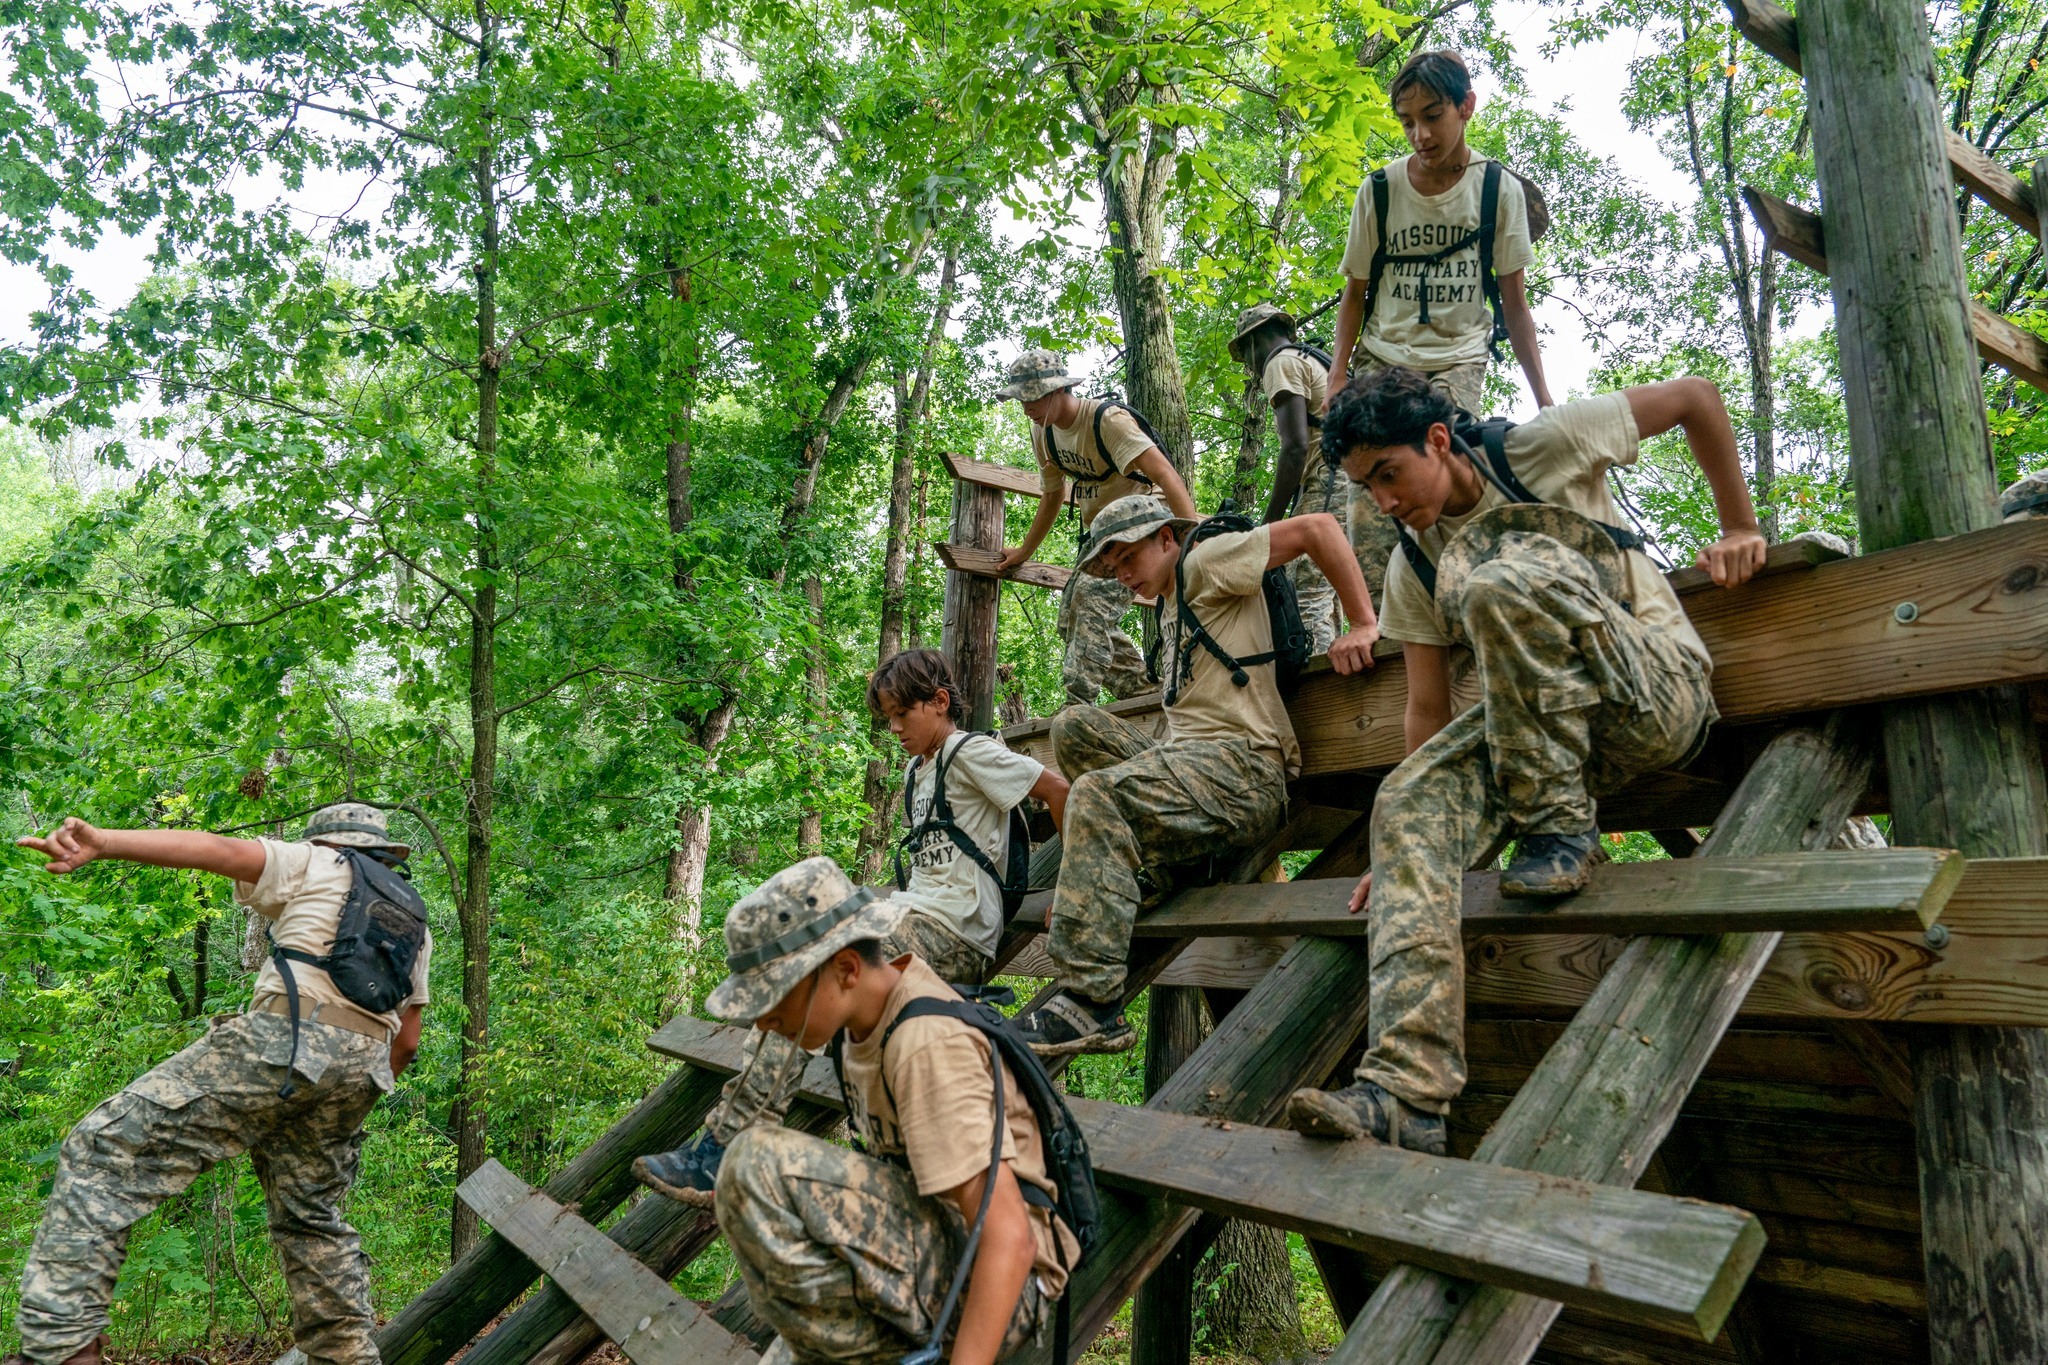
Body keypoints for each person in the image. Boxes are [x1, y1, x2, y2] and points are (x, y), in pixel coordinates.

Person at [1282, 366, 1765, 1152]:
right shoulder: (1414, 563)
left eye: (1389, 474)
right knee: (1405, 803)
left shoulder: (1544, 446)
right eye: (1367, 490)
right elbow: (1429, 711)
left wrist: (1739, 525)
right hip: (1535, 733)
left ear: (1438, 440)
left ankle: (1560, 827)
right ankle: (1407, 1091)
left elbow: (1696, 398)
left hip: (1653, 693)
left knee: (1499, 578)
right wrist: (1409, 841)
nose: (1385, 502)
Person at [635, 651, 1070, 1207]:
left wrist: (1069, 888)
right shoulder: (919, 770)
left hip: (953, 933)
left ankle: (726, 1146)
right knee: (795, 966)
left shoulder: (972, 751)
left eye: (901, 715)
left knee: (806, 977)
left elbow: (1057, 791)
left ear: (940, 702)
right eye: (886, 717)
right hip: (913, 916)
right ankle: (728, 1141)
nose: (893, 729)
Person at [8, 805, 430, 1365]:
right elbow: (407, 1044)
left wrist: (104, 842)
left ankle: (62, 1351)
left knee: (104, 1146)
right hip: (363, 1069)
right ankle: (347, 1358)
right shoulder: (411, 920)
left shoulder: (319, 862)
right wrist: (345, 1100)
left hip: (287, 1040)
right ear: (385, 853)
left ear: (333, 844)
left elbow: (220, 851)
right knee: (313, 1221)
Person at [1012, 493, 1382, 1057]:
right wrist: (1090, 880)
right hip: (1198, 771)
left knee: (1094, 795)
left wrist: (1362, 622)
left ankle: (1090, 1003)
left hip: (1245, 772)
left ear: (1165, 537)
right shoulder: (1168, 603)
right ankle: (1158, 869)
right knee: (1074, 728)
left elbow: (1319, 528)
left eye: (1127, 558)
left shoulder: (1203, 561)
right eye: (1111, 570)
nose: (1121, 576)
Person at [705, 858, 1078, 1365]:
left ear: (846, 969)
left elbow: (1010, 1240)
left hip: (1002, 1290)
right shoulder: (862, 1027)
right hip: (930, 1260)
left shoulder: (924, 1041)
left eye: (775, 996)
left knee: (751, 1161)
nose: (765, 1020)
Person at [992, 350, 1200, 708]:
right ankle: (1143, 692)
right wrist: (1025, 552)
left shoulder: (1107, 421)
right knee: (1070, 618)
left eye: (1033, 398)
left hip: (1145, 522)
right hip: (1103, 532)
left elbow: (1166, 474)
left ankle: (1076, 704)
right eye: (1019, 400)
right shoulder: (1044, 433)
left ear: (1059, 390)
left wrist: (1192, 537)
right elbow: (1053, 494)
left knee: (1090, 602)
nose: (1026, 408)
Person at [1229, 303, 1358, 646]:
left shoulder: (1280, 363)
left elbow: (1296, 447)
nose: (1252, 369)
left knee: (1304, 587)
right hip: (1354, 479)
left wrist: (1270, 525)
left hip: (1330, 478)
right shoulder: (1313, 359)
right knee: (1325, 584)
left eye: (1246, 357)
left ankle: (1317, 686)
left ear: (1254, 342)